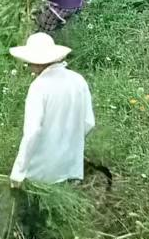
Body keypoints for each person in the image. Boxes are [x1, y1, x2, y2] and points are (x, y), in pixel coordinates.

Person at [7, 33, 95, 187]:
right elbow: (89, 122)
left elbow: (32, 132)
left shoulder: (39, 87)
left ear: (36, 63)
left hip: (42, 172)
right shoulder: (78, 80)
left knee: (36, 209)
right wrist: (69, 142)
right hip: (71, 166)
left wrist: (18, 172)